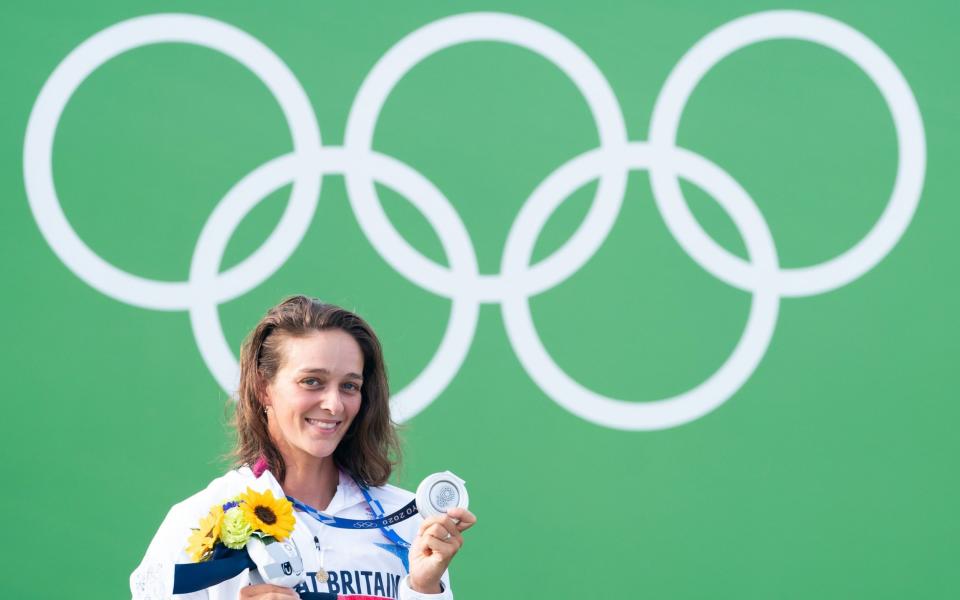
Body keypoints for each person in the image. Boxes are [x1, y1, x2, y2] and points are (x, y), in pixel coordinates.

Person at [130, 296, 476, 599]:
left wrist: (424, 589)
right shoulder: (199, 519)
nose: (334, 405)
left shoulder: (406, 520)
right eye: (312, 382)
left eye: (350, 386)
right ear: (264, 389)